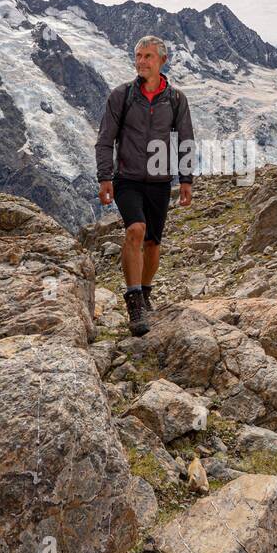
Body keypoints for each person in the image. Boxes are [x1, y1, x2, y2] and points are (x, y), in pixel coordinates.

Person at [95, 34, 195, 335]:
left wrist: (186, 179)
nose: (140, 61)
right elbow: (105, 139)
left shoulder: (176, 99)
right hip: (127, 179)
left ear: (162, 60)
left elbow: (186, 140)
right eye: (138, 55)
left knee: (153, 243)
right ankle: (134, 301)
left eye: (147, 56)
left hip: (160, 181)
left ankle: (146, 292)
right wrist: (105, 177)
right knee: (135, 230)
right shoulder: (122, 96)